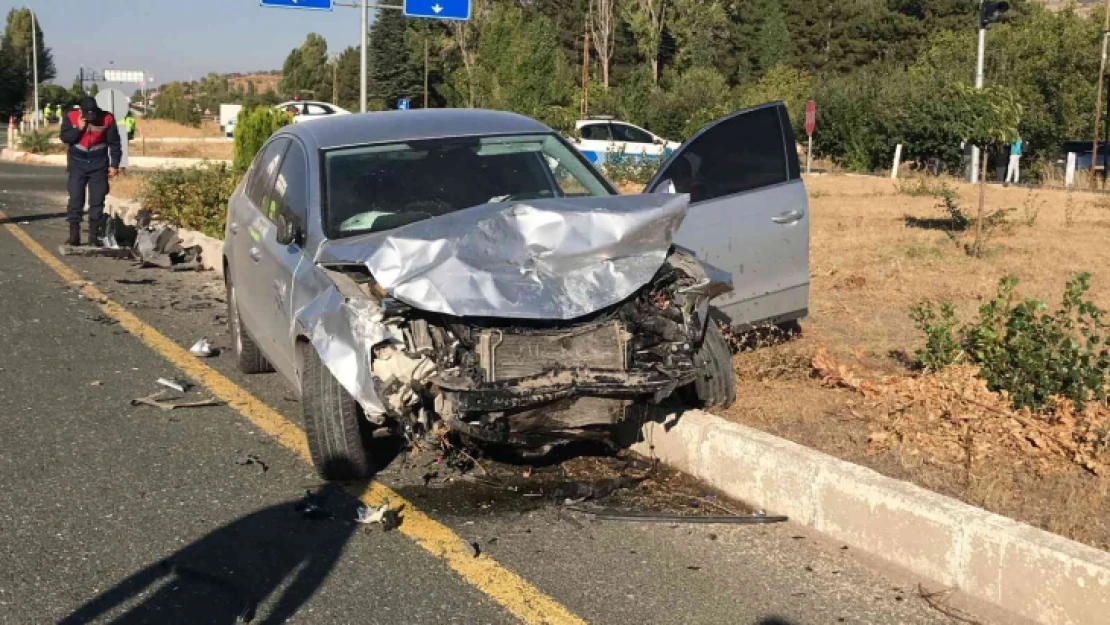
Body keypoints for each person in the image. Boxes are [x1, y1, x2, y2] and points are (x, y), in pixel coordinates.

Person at [60, 96, 122, 247]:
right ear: (80, 111)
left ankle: (94, 237)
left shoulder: (107, 118)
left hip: (98, 164)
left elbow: (114, 144)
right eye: (87, 116)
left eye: (93, 116)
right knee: (75, 198)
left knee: (97, 200)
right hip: (77, 164)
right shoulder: (71, 116)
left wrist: (114, 165)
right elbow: (65, 137)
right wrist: (78, 129)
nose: (91, 119)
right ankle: (74, 235)